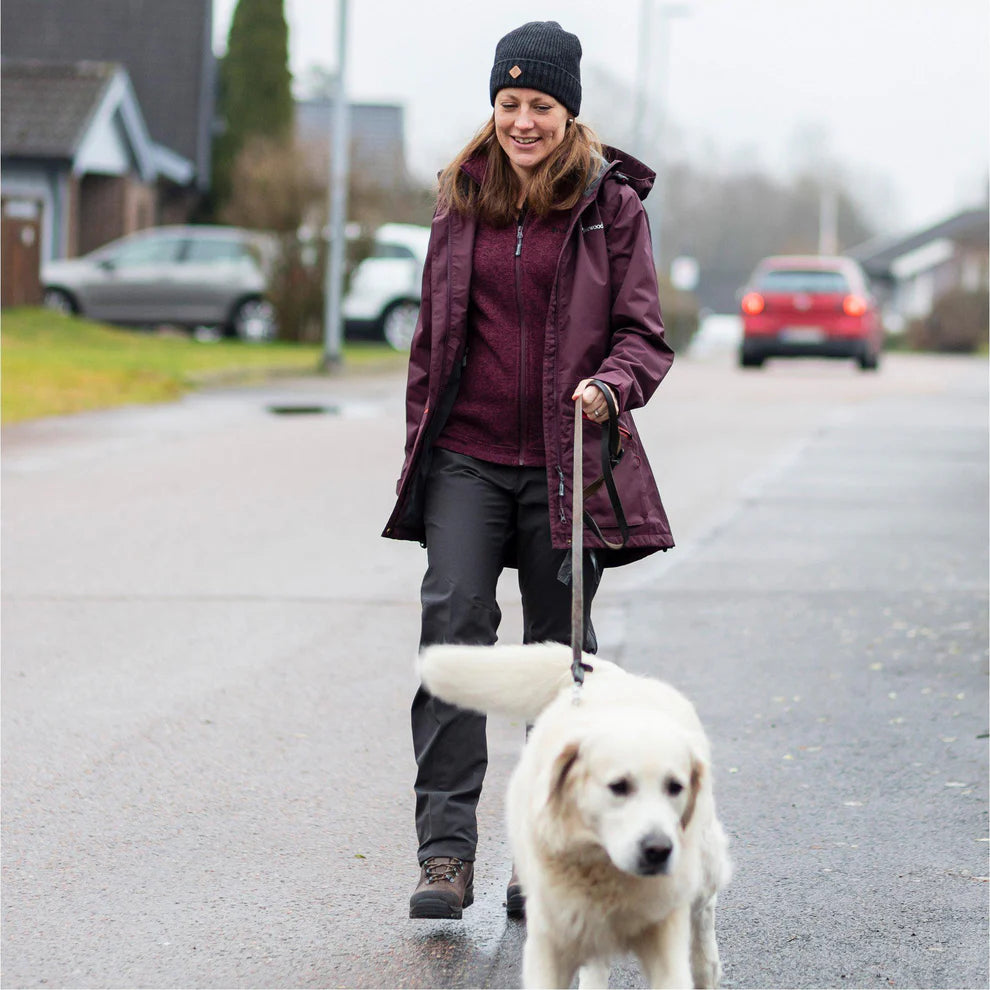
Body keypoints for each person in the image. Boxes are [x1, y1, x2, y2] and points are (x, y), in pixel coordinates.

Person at [382, 20, 675, 920]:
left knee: (560, 668)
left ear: (568, 112)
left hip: (567, 463)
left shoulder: (610, 205)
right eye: (508, 103)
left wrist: (610, 388)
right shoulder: (459, 197)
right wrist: (420, 460)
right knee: (455, 640)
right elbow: (432, 345)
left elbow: (643, 336)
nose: (521, 120)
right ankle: (444, 855)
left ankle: (542, 856)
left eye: (539, 105)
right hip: (467, 458)